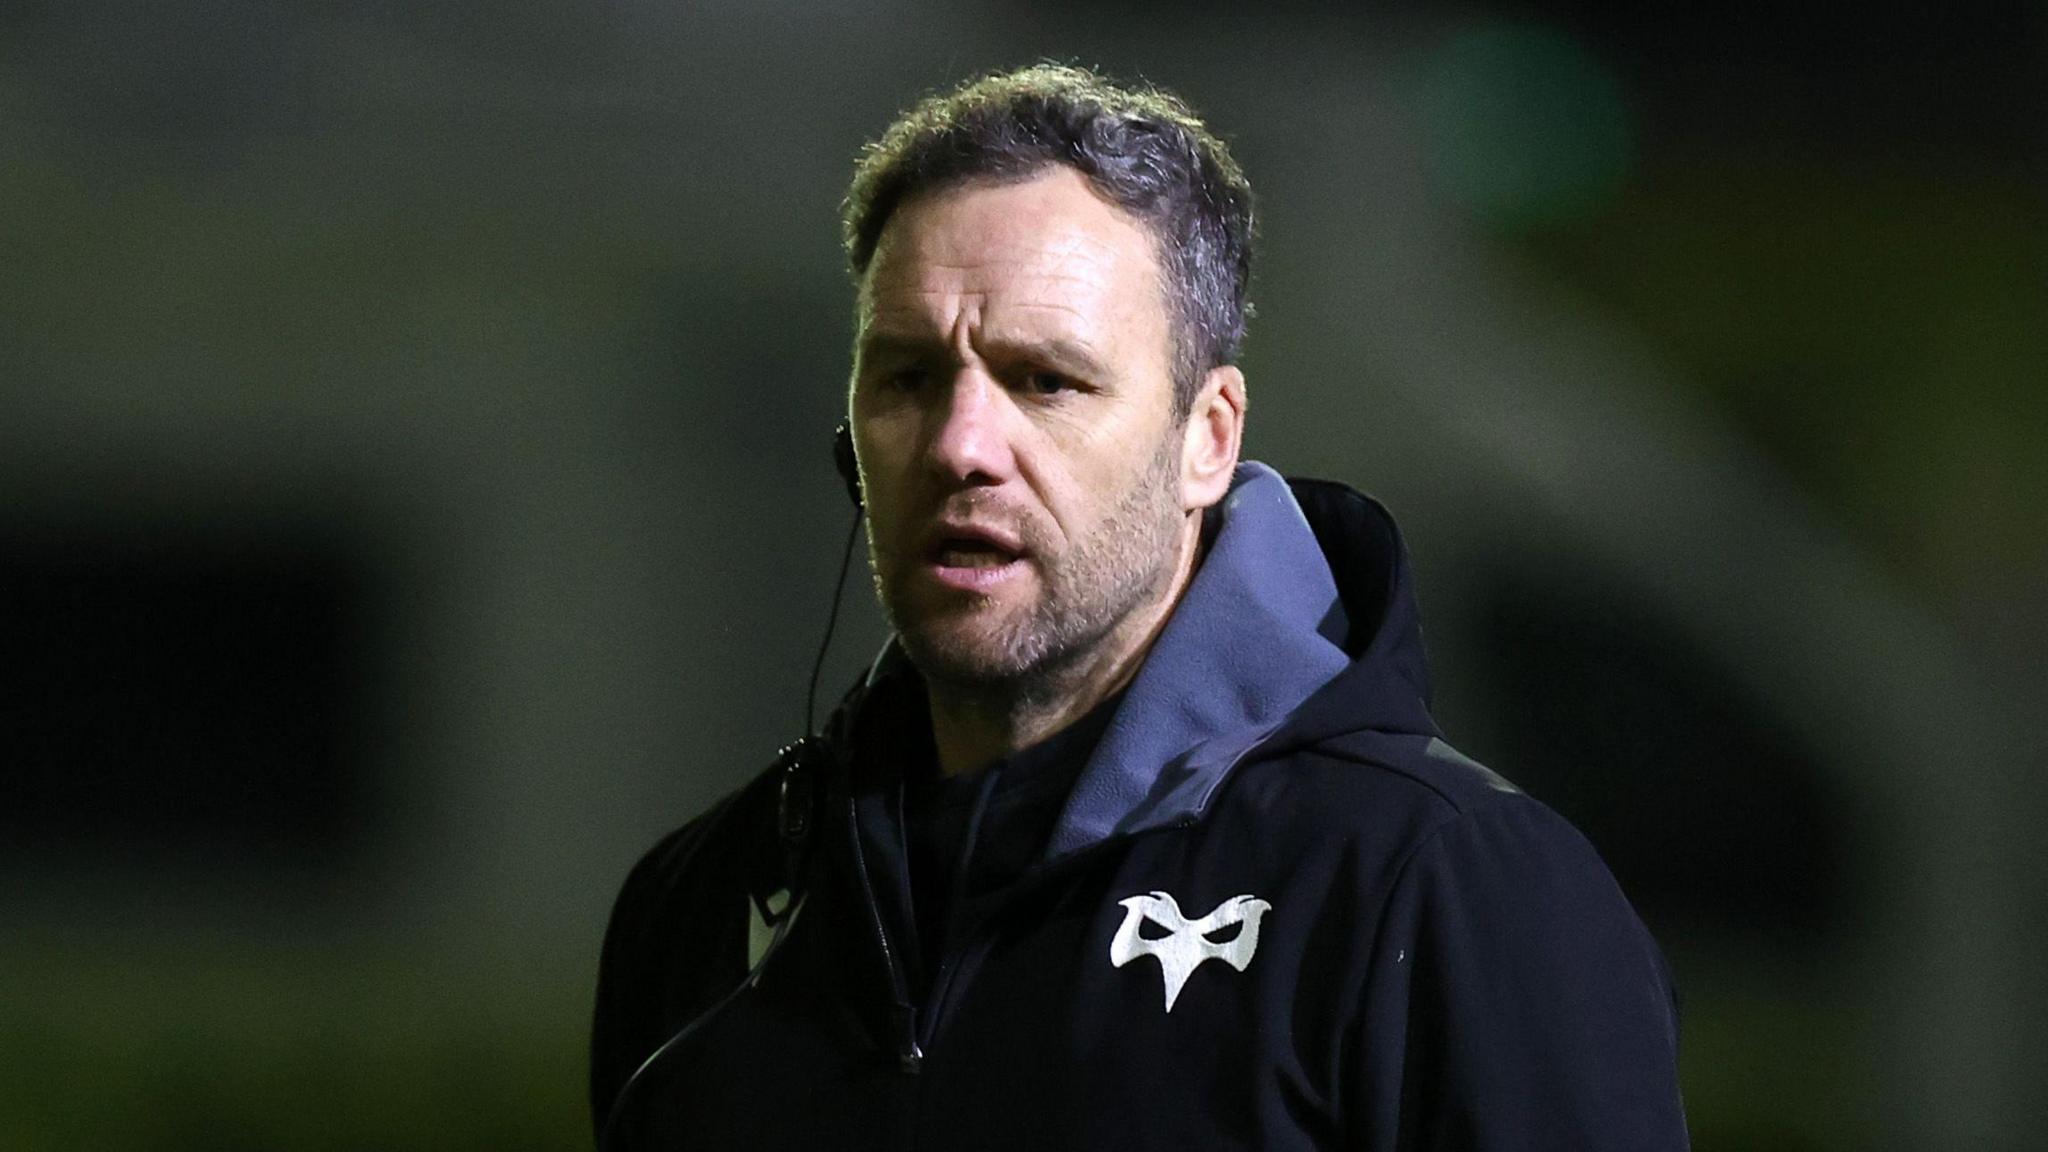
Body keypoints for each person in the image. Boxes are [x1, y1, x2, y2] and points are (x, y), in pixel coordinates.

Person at [590, 63, 1690, 1150]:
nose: (961, 447)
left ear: (1206, 437)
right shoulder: (709, 907)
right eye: (908, 378)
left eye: (1044, 381)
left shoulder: (1446, 887)